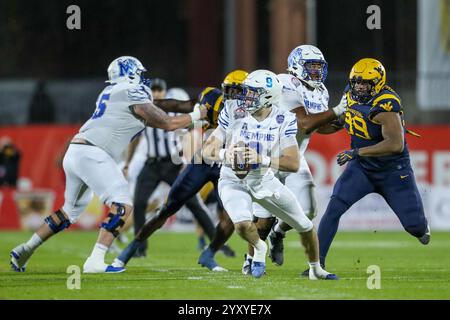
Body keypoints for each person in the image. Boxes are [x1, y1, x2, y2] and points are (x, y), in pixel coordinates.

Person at [10, 56, 206, 273]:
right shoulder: (130, 91)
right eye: (139, 74)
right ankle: (95, 260)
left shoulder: (111, 92)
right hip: (93, 152)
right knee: (123, 204)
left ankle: (25, 250)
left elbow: (159, 109)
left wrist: (193, 114)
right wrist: (197, 115)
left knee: (68, 212)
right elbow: (167, 123)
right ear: (130, 74)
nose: (142, 79)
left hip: (76, 152)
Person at [202, 69, 337, 279]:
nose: (244, 96)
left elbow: (292, 163)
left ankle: (316, 269)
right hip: (233, 180)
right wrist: (225, 153)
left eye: (251, 92)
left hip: (264, 179)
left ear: (267, 96)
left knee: (305, 224)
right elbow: (206, 150)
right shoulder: (232, 109)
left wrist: (261, 159)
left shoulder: (284, 119)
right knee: (242, 224)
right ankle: (259, 250)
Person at [111, 70, 247, 271]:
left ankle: (209, 254)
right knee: (168, 208)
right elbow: (179, 106)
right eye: (229, 91)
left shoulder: (257, 111)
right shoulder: (213, 99)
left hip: (228, 166)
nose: (231, 96)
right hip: (205, 160)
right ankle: (130, 250)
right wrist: (149, 105)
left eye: (237, 91)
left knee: (231, 216)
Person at [241, 45, 347, 274]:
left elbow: (321, 127)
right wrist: (338, 110)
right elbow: (304, 123)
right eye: (311, 67)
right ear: (297, 65)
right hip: (266, 155)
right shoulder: (285, 84)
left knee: (308, 210)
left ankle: (278, 232)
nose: (317, 72)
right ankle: (250, 260)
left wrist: (346, 120)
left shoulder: (320, 91)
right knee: (261, 221)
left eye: (319, 67)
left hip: (293, 155)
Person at [316, 58, 430, 270]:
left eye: (365, 83)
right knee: (333, 208)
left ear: (377, 82)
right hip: (362, 169)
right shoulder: (350, 94)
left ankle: (422, 227)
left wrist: (357, 152)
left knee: (415, 228)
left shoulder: (386, 103)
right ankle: (316, 265)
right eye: (356, 82)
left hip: (393, 171)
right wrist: (312, 127)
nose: (359, 86)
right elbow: (342, 122)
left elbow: (396, 144)